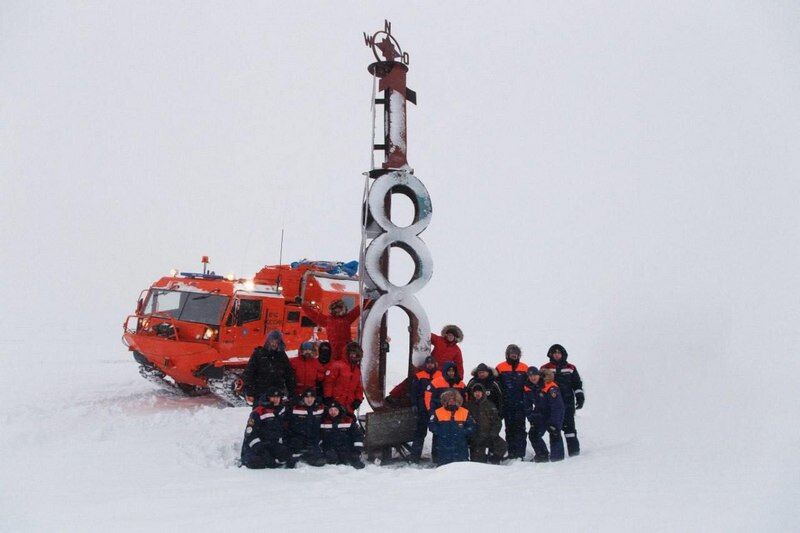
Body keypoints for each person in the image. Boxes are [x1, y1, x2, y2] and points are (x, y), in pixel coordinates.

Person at [540, 343, 584, 456]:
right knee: (554, 429)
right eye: (554, 353)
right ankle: (557, 456)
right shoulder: (545, 368)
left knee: (570, 429)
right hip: (552, 405)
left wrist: (580, 396)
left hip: (568, 403)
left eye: (559, 352)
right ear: (550, 354)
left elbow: (577, 384)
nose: (557, 355)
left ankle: (574, 453)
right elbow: (539, 385)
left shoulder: (571, 368)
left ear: (563, 354)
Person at [240, 388, 292, 469]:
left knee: (287, 455)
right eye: (273, 397)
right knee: (257, 462)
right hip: (257, 445)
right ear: (268, 398)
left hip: (272, 444)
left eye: (278, 397)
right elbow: (249, 434)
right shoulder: (258, 412)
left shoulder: (281, 411)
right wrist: (260, 448)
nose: (276, 400)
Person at [242, 330, 296, 404]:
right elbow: (249, 373)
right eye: (272, 341)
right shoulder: (258, 354)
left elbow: (289, 375)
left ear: (279, 342)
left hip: (277, 394)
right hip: (260, 393)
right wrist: (249, 392)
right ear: (268, 341)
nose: (274, 344)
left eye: (276, 341)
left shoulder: (282, 356)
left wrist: (291, 393)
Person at [495, 344, 529, 459]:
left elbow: (529, 385)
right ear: (507, 354)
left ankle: (521, 454)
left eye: (516, 353)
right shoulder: (500, 367)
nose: (513, 355)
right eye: (511, 353)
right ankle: (512, 453)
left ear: (519, 355)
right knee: (509, 429)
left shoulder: (525, 368)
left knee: (521, 429)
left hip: (521, 404)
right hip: (507, 404)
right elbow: (496, 386)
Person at [428, 388, 477, 466]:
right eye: (448, 399)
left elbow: (473, 426)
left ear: (458, 400)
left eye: (453, 399)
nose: (451, 401)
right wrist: (441, 432)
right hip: (443, 448)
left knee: (462, 470)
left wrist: (463, 432)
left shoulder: (465, 412)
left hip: (460, 448)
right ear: (444, 400)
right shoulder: (437, 412)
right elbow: (431, 425)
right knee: (443, 471)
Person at [526, 368, 565, 462]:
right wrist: (531, 416)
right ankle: (542, 455)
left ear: (539, 375)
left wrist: (555, 423)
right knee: (533, 434)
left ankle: (558, 458)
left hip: (553, 414)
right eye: (530, 376)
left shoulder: (550, 386)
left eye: (534, 375)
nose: (533, 378)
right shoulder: (528, 387)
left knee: (554, 433)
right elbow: (527, 404)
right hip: (539, 415)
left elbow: (558, 407)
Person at [465, 383, 507, 463]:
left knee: (502, 446)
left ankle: (494, 457)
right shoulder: (469, 406)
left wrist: (494, 433)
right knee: (479, 461)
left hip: (489, 434)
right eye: (475, 392)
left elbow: (497, 421)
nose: (477, 394)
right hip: (476, 437)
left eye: (479, 392)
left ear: (483, 392)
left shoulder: (490, 405)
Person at [409, 356, 440, 462]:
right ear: (425, 364)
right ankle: (414, 457)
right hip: (422, 408)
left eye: (432, 363)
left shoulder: (440, 375)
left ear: (435, 364)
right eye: (428, 363)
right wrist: (414, 404)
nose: (430, 365)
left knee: (437, 433)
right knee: (420, 433)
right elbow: (413, 392)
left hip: (436, 408)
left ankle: (436, 457)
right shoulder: (419, 376)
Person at [286, 388, 326, 467]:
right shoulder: (294, 407)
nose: (309, 400)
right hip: (297, 439)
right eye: (307, 397)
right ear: (303, 398)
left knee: (319, 461)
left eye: (312, 397)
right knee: (290, 461)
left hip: (313, 439)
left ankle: (307, 455)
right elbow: (286, 422)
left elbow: (334, 413)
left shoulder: (320, 408)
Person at [320, 402, 365, 469]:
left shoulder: (348, 421)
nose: (333, 412)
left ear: (339, 411)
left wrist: (356, 452)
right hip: (331, 450)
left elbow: (358, 436)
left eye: (335, 410)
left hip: (347, 449)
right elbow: (320, 438)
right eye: (331, 410)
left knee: (355, 463)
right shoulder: (323, 422)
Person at [323, 341, 364, 413]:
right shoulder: (337, 365)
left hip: (349, 406)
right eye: (352, 354)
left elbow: (359, 387)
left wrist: (358, 399)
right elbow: (329, 383)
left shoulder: (357, 370)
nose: (353, 356)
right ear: (347, 354)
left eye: (355, 354)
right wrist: (328, 397)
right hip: (335, 404)